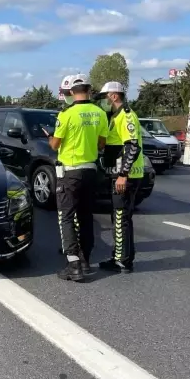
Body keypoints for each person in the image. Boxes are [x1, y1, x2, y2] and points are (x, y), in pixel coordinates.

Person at [44, 74, 108, 282]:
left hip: (70, 172)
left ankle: (73, 265)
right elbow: (101, 145)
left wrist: (50, 137)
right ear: (89, 90)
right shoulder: (99, 113)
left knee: (66, 217)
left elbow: (55, 145)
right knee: (86, 216)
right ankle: (86, 261)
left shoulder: (66, 114)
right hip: (91, 170)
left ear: (72, 92)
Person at [96, 81, 144, 273]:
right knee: (119, 218)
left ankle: (122, 261)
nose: (102, 102)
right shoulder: (114, 117)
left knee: (120, 218)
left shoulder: (127, 116)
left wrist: (123, 175)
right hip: (118, 174)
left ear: (113, 96)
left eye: (104, 98)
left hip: (126, 176)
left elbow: (133, 146)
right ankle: (120, 257)